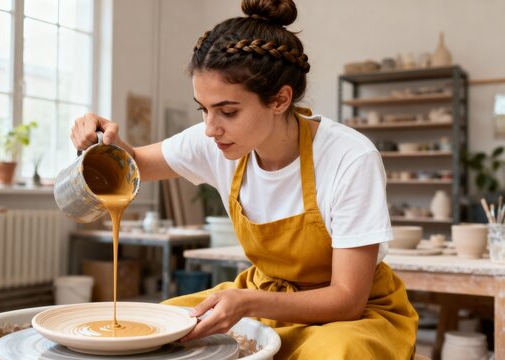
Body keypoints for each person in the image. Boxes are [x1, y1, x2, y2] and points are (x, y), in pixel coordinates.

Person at [70, 0, 418, 358]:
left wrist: (248, 303)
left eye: (228, 111)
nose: (210, 128)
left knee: (339, 353)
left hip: (349, 314)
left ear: (280, 99)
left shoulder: (349, 157)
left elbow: (346, 300)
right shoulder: (216, 141)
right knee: (162, 326)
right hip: (262, 293)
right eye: (203, 109)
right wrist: (101, 139)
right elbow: (135, 164)